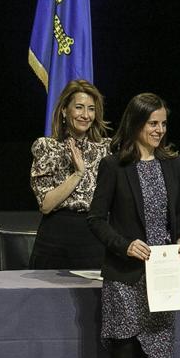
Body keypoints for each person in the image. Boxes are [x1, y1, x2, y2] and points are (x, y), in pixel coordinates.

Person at [88, 93, 180, 358]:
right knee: (125, 350)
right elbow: (96, 219)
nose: (159, 131)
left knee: (155, 354)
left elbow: (178, 210)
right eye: (153, 124)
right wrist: (124, 245)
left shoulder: (172, 163)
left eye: (163, 124)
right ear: (136, 124)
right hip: (125, 274)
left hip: (162, 273)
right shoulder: (114, 165)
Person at [29, 80, 111, 269]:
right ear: (65, 111)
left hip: (95, 239)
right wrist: (78, 173)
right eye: (79, 107)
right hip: (56, 240)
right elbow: (46, 205)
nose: (85, 115)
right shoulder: (47, 147)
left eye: (91, 109)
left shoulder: (106, 149)